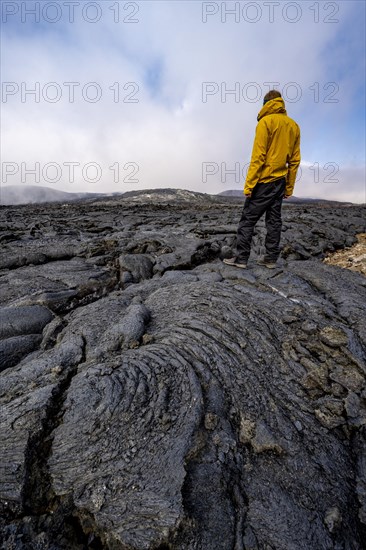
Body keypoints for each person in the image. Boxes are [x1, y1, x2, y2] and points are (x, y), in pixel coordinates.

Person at [224, 90, 301, 269]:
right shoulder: (293, 126)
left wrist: (249, 185)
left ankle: (241, 258)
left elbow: (258, 157)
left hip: (264, 181)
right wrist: (289, 187)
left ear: (266, 103)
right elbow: (295, 161)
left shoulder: (265, 123)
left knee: (247, 220)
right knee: (274, 221)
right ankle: (270, 259)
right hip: (281, 181)